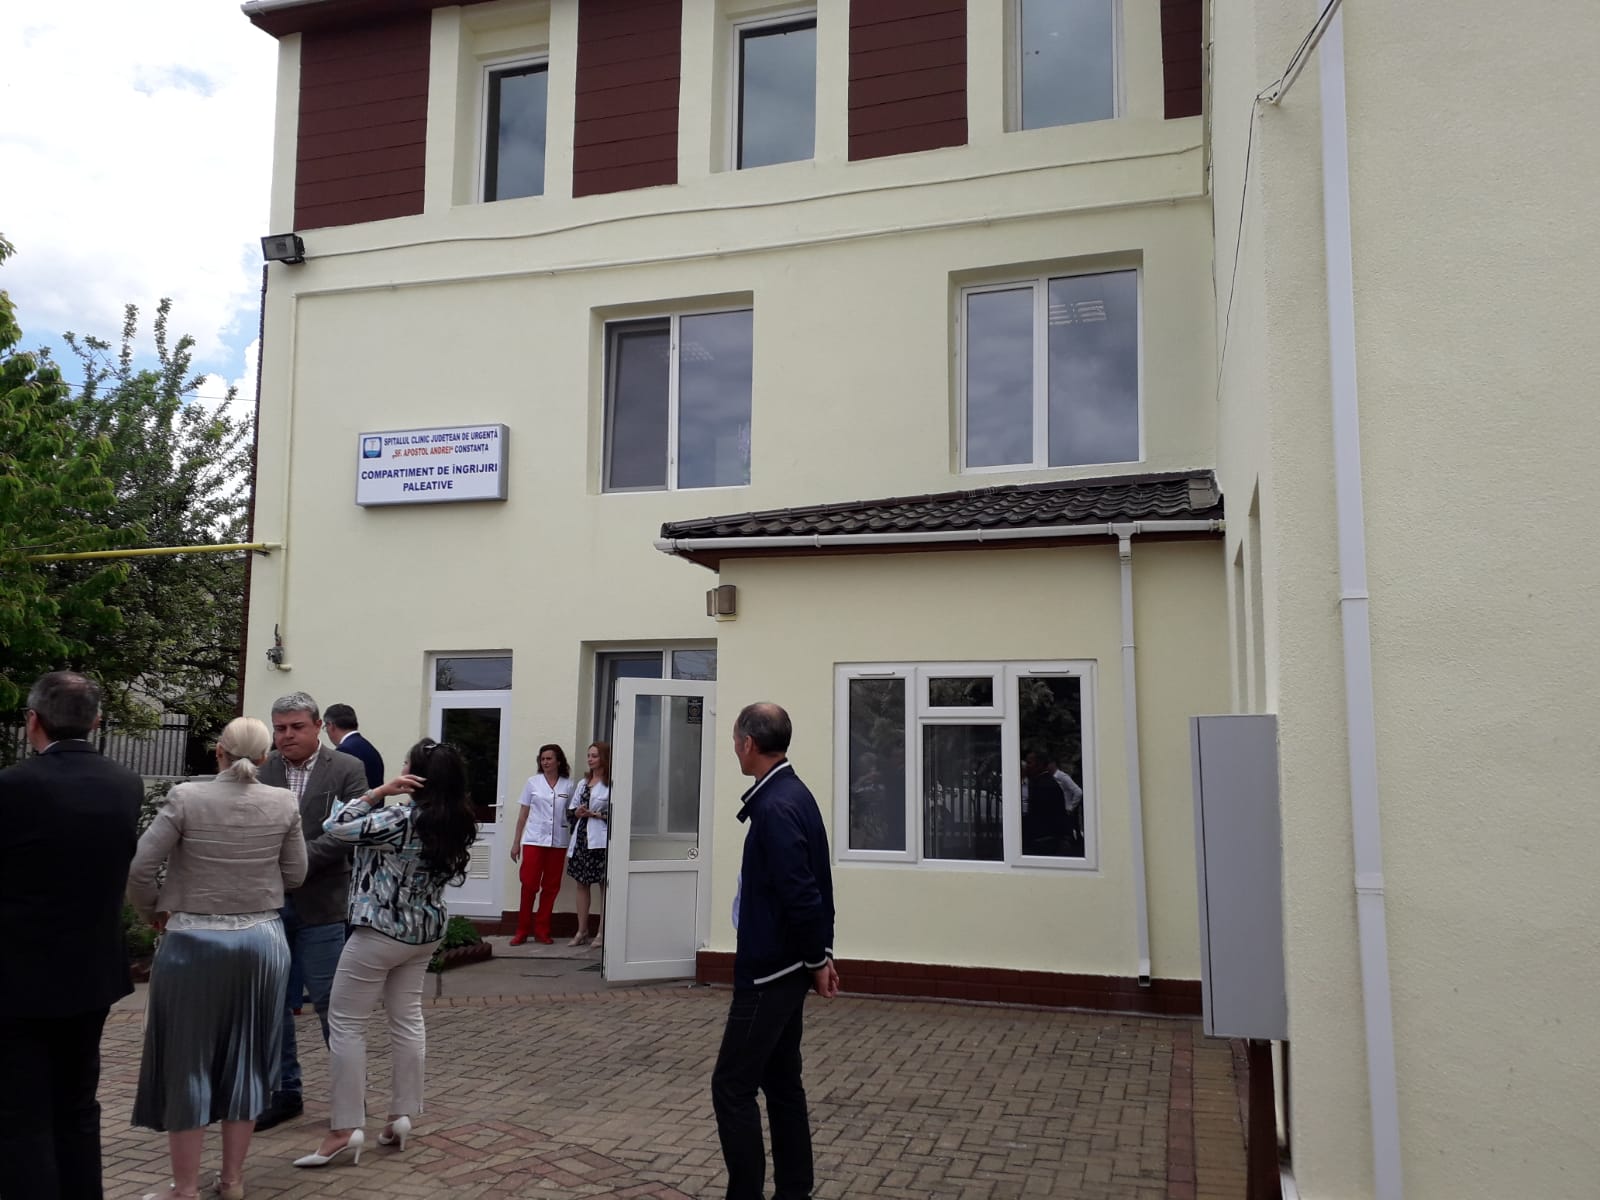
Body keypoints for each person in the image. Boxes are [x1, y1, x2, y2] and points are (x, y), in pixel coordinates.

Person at [128, 717, 307, 1200]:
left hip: (193, 941)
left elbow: (141, 868)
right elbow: (296, 874)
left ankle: (185, 1188)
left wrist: (154, 911)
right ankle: (232, 1180)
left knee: (187, 1060)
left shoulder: (187, 797)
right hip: (262, 942)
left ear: (218, 752)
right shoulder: (283, 801)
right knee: (248, 1057)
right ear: (266, 757)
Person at [292, 740, 477, 1171]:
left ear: (416, 777)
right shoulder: (457, 820)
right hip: (424, 934)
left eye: (406, 765)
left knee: (346, 1024)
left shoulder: (398, 819)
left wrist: (377, 792)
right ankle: (401, 1117)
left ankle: (344, 1128)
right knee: (407, 1019)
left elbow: (334, 827)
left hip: (379, 932)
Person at [0, 671, 142, 1200]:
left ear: (32, 720)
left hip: (19, 977)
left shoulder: (14, 786)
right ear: (96, 721)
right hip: (92, 971)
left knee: (22, 1113)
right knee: (78, 1104)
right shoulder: (125, 783)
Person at [711, 703, 838, 1200]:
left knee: (732, 1086)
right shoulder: (791, 793)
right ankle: (794, 1191)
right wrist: (819, 955)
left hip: (769, 973)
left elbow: (803, 892)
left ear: (748, 743)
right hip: (789, 966)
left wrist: (818, 959)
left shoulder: (777, 805)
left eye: (735, 740)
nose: (734, 749)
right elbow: (816, 885)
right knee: (783, 1082)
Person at [253, 693, 369, 1131]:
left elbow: (350, 831)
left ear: (318, 726)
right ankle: (285, 1092)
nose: (287, 736)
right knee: (273, 1002)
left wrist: (294, 862)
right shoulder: (261, 769)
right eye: (280, 728)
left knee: (330, 1003)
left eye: (296, 727)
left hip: (322, 905)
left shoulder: (347, 768)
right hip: (269, 905)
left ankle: (349, 1097)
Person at [508, 744, 575, 946]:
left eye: (549, 758)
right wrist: (516, 843)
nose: (545, 762)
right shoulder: (532, 783)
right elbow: (523, 815)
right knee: (529, 885)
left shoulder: (568, 785)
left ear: (558, 761)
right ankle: (522, 930)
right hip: (534, 840)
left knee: (551, 887)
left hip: (558, 842)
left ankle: (542, 930)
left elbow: (572, 814)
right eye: (542, 759)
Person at [564, 742, 611, 948]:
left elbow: (618, 813)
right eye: (589, 755)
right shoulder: (584, 783)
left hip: (600, 842)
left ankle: (602, 932)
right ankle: (582, 930)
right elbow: (571, 810)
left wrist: (596, 814)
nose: (590, 759)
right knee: (581, 884)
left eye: (594, 756)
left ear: (604, 758)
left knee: (603, 884)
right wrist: (577, 812)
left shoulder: (611, 783)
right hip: (582, 839)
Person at [324, 703, 384, 790]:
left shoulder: (344, 751)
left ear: (331, 726)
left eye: (325, 727)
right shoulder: (368, 747)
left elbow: (336, 788)